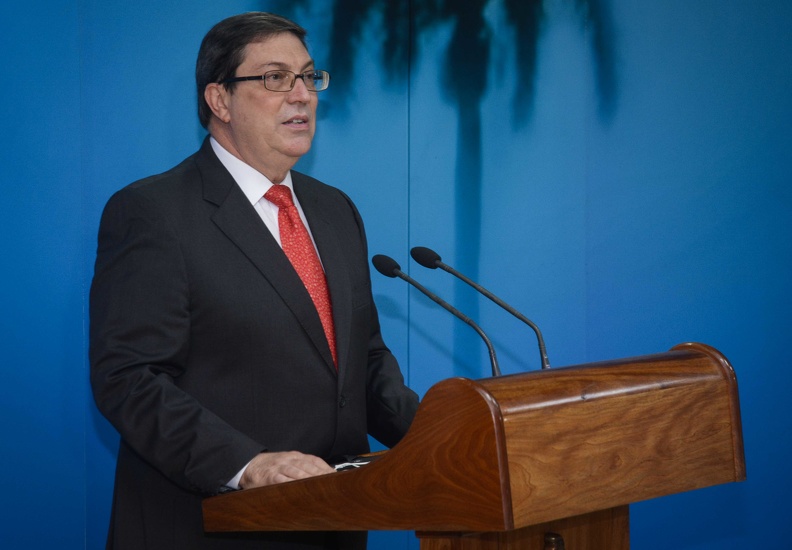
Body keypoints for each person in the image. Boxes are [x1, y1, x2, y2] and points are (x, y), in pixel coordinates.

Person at [89, 12, 419, 550]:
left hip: (331, 521)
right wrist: (248, 465)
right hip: (210, 524)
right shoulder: (154, 212)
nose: (302, 95)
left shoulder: (335, 210)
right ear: (219, 99)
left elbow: (364, 361)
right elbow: (130, 379)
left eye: (308, 77)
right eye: (274, 78)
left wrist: (448, 439)